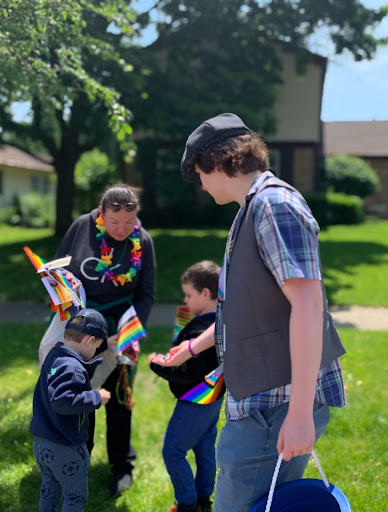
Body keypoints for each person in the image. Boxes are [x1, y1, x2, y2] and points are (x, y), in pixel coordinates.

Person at [152, 113, 347, 512]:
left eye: (198, 174)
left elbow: (309, 306)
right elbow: (245, 308)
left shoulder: (275, 206)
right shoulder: (252, 208)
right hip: (262, 400)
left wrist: (298, 415)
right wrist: (190, 349)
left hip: (276, 404)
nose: (201, 185)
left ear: (216, 161)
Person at [55, 183, 155, 496]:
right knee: (81, 396)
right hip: (81, 326)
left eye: (129, 223)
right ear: (102, 213)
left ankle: (121, 465)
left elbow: (146, 293)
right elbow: (57, 270)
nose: (123, 229)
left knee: (120, 397)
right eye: (115, 223)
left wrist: (128, 330)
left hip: (121, 327)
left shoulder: (143, 240)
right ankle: (77, 461)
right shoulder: (81, 228)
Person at [149, 261, 225, 512]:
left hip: (195, 399)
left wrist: (157, 364)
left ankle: (187, 505)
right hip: (213, 398)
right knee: (204, 449)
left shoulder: (203, 328)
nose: (186, 300)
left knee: (173, 451)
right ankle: (204, 500)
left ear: (205, 293)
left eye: (189, 294)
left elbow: (187, 371)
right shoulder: (220, 324)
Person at [30, 309, 111, 512]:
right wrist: (96, 397)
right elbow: (63, 401)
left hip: (42, 442)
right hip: (64, 446)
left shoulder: (55, 356)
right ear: (90, 340)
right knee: (75, 495)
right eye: (97, 347)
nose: (96, 351)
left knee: (50, 488)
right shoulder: (71, 366)